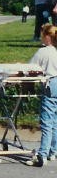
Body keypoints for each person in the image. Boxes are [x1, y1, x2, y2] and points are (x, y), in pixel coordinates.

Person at [25, 24, 57, 167]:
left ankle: (42, 155)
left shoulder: (43, 52)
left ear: (47, 37)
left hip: (50, 84)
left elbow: (29, 68)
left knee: (46, 121)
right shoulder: (55, 51)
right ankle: (53, 151)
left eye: (42, 35)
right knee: (55, 120)